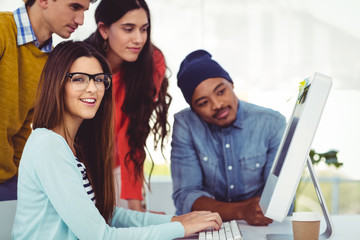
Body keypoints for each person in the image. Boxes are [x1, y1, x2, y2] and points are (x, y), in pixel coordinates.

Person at [12, 41, 222, 239]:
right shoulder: (48, 144)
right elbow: (101, 236)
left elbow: (106, 214)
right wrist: (181, 228)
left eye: (99, 79)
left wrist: (175, 220)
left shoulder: (72, 146)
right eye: (79, 79)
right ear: (56, 83)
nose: (93, 88)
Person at [171, 49, 287, 226]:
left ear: (231, 84)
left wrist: (255, 211)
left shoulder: (272, 123)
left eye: (220, 92)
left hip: (258, 227)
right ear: (194, 109)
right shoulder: (185, 124)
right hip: (205, 227)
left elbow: (279, 197)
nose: (217, 105)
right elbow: (186, 196)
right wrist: (241, 211)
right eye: (203, 103)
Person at [0, 0, 95, 201]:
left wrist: (22, 176)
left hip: (8, 178)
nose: (80, 20)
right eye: (74, 7)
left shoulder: (50, 59)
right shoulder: (2, 30)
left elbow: (24, 125)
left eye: (84, 11)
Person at [84, 0, 171, 212]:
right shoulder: (81, 64)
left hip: (120, 167)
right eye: (128, 29)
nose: (139, 39)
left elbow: (132, 131)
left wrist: (135, 204)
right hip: (81, 166)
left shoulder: (152, 61)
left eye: (144, 29)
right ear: (104, 29)